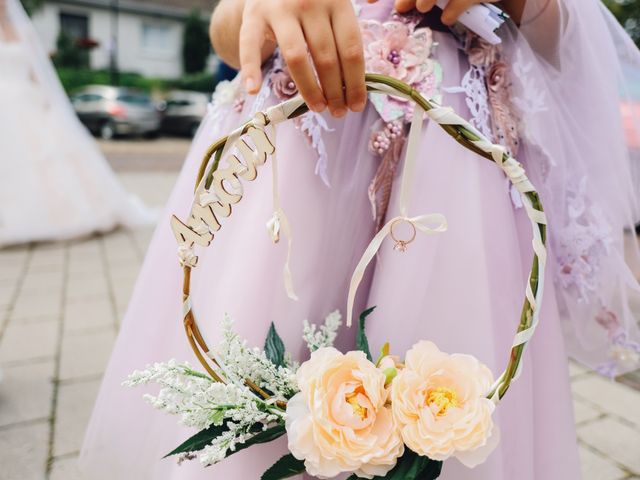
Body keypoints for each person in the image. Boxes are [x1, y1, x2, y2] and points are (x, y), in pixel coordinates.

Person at [81, 0, 640, 478]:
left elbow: (569, 38)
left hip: (452, 155)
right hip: (294, 146)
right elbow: (230, 35)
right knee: (257, 364)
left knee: (446, 383)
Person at [0, 0, 154, 247]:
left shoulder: (24, 30)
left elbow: (37, 71)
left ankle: (58, 215)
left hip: (27, 99)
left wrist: (46, 102)